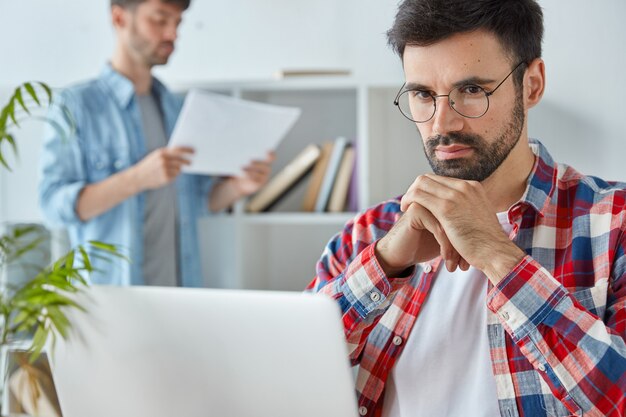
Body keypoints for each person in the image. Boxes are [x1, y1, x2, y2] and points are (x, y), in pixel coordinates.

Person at [305, 1, 626, 416]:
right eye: (422, 94)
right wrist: (383, 265)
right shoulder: (367, 235)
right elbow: (286, 380)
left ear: (532, 85)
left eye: (472, 90)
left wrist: (498, 256)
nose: (442, 124)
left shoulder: (614, 223)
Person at [39, 0, 273, 287]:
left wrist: (239, 186)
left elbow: (198, 200)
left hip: (180, 294)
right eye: (160, 20)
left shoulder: (176, 108)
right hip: (112, 302)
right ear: (119, 17)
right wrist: (137, 178)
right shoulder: (76, 107)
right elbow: (52, 205)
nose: (171, 34)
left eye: (177, 24)